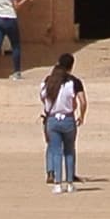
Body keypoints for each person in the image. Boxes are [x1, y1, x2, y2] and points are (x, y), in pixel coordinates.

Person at [40, 53, 86, 193]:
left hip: (53, 119)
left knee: (55, 151)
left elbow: (43, 98)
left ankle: (58, 183)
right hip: (68, 118)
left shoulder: (47, 81)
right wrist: (81, 116)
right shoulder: (74, 82)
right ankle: (70, 183)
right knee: (69, 151)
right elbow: (82, 101)